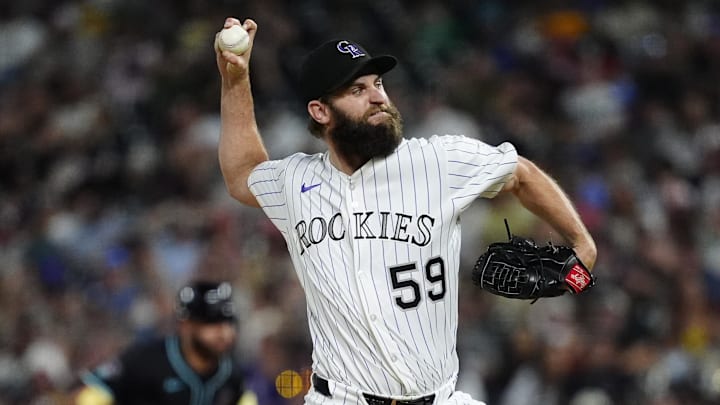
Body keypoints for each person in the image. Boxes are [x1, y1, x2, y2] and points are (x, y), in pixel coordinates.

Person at [214, 16, 597, 405]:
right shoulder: (297, 181)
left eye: (379, 84)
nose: (379, 96)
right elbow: (243, 173)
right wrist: (235, 81)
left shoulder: (436, 160)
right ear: (320, 111)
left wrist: (583, 247)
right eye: (357, 89)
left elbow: (521, 174)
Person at [75, 280, 256, 405]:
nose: (225, 333)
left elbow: (245, 399)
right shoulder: (145, 360)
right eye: (213, 325)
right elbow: (93, 392)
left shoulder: (230, 372)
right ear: (186, 326)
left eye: (229, 324)